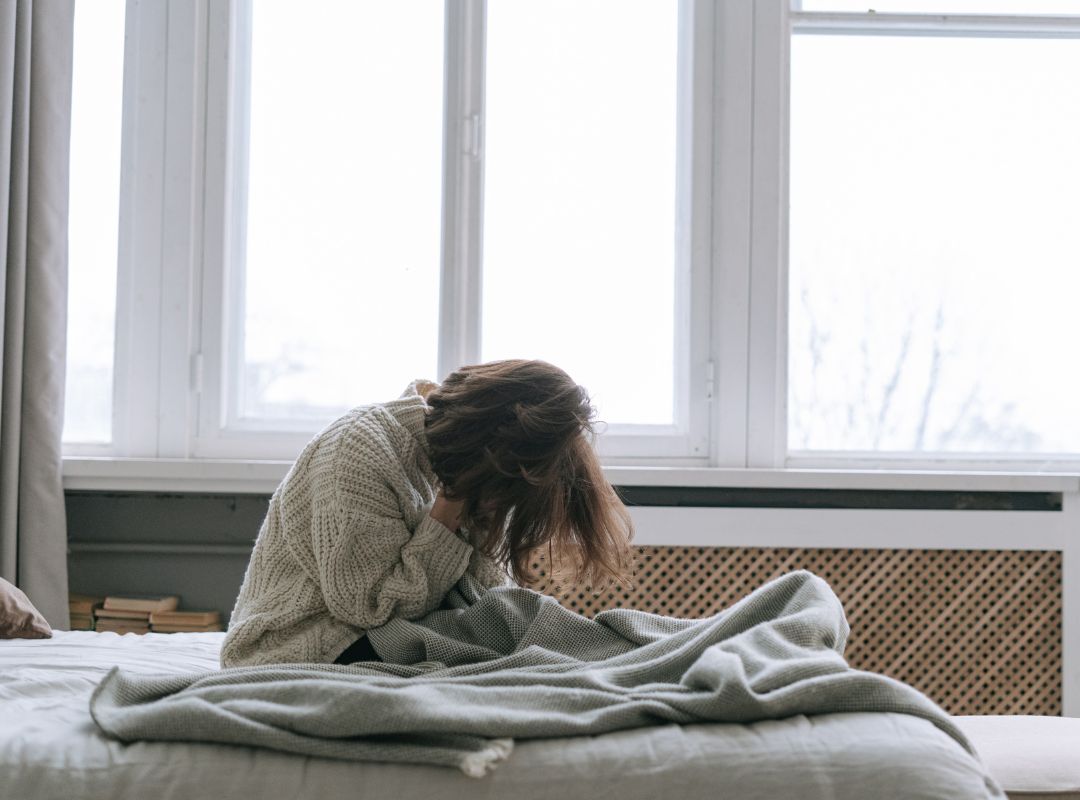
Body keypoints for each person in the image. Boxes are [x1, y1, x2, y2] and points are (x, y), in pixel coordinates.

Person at [220, 359, 634, 668]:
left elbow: (482, 596)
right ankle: (634, 657)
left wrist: (472, 517)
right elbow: (369, 608)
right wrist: (447, 511)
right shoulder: (359, 450)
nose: (498, 507)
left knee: (512, 619)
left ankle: (639, 651)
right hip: (298, 646)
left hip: (374, 636)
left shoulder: (461, 465)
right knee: (513, 624)